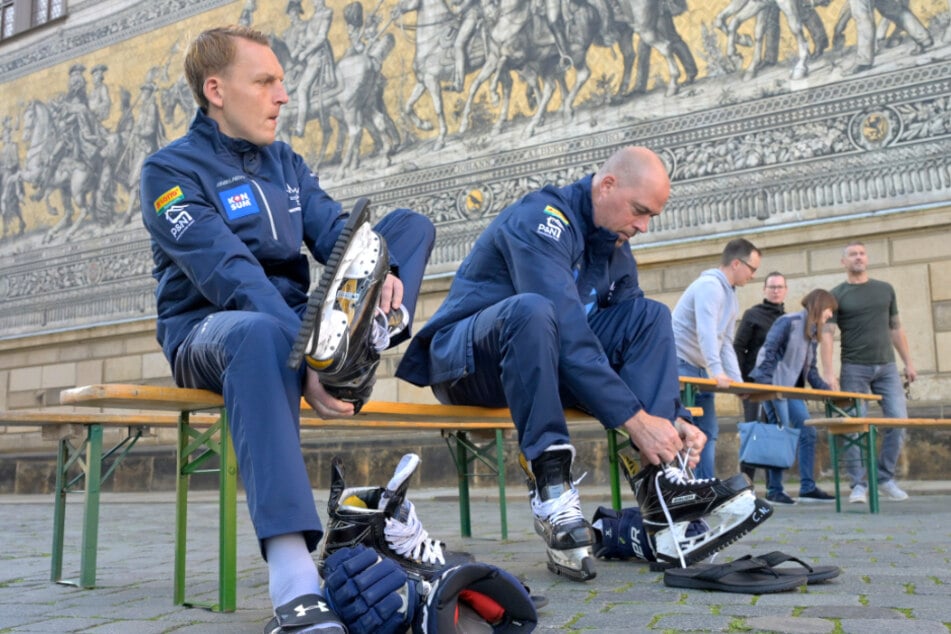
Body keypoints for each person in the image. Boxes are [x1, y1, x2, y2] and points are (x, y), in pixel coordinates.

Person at [138, 25, 435, 633]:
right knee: (258, 331)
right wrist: (306, 362)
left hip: (304, 325)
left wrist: (385, 270)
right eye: (266, 81)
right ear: (216, 90)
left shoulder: (286, 163)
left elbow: (333, 232)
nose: (283, 96)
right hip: (211, 331)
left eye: (281, 81)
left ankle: (362, 340)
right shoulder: (168, 171)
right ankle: (294, 576)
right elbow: (231, 274)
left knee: (405, 227)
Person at [396, 146, 706, 581]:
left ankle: (659, 495)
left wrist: (670, 418)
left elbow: (631, 334)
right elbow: (569, 332)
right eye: (639, 211)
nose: (643, 226)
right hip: (470, 363)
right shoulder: (542, 219)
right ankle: (551, 488)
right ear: (607, 185)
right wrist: (635, 420)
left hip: (541, 363)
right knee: (533, 310)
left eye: (651, 216)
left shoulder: (614, 243)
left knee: (651, 315)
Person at [820, 241, 917, 504]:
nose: (859, 258)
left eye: (862, 253)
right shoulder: (836, 294)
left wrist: (908, 362)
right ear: (844, 261)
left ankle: (884, 477)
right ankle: (859, 485)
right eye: (853, 254)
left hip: (887, 366)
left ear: (867, 258)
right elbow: (827, 335)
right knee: (855, 428)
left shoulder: (884, 290)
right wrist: (829, 373)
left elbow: (896, 327)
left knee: (899, 421)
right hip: (854, 368)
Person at [672, 238, 761, 479]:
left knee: (709, 431)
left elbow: (725, 343)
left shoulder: (730, 295)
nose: (753, 275)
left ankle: (704, 487)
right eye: (752, 269)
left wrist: (735, 380)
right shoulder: (709, 286)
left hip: (699, 369)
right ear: (736, 263)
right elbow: (706, 331)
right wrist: (717, 371)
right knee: (689, 433)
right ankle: (691, 488)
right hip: (681, 365)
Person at [749, 289, 838, 505]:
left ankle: (807, 488)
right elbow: (769, 353)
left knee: (808, 432)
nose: (829, 315)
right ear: (819, 306)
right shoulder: (788, 321)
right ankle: (774, 490)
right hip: (773, 387)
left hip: (790, 390)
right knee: (782, 434)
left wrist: (828, 391)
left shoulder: (812, 331)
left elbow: (811, 370)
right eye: (829, 310)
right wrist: (764, 386)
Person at [734, 272, 788, 422]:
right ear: (764, 289)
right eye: (772, 287)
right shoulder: (752, 314)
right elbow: (738, 347)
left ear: (785, 290)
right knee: (756, 429)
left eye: (779, 287)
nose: (776, 291)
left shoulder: (787, 319)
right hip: (754, 383)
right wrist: (741, 381)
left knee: (780, 429)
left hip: (780, 384)